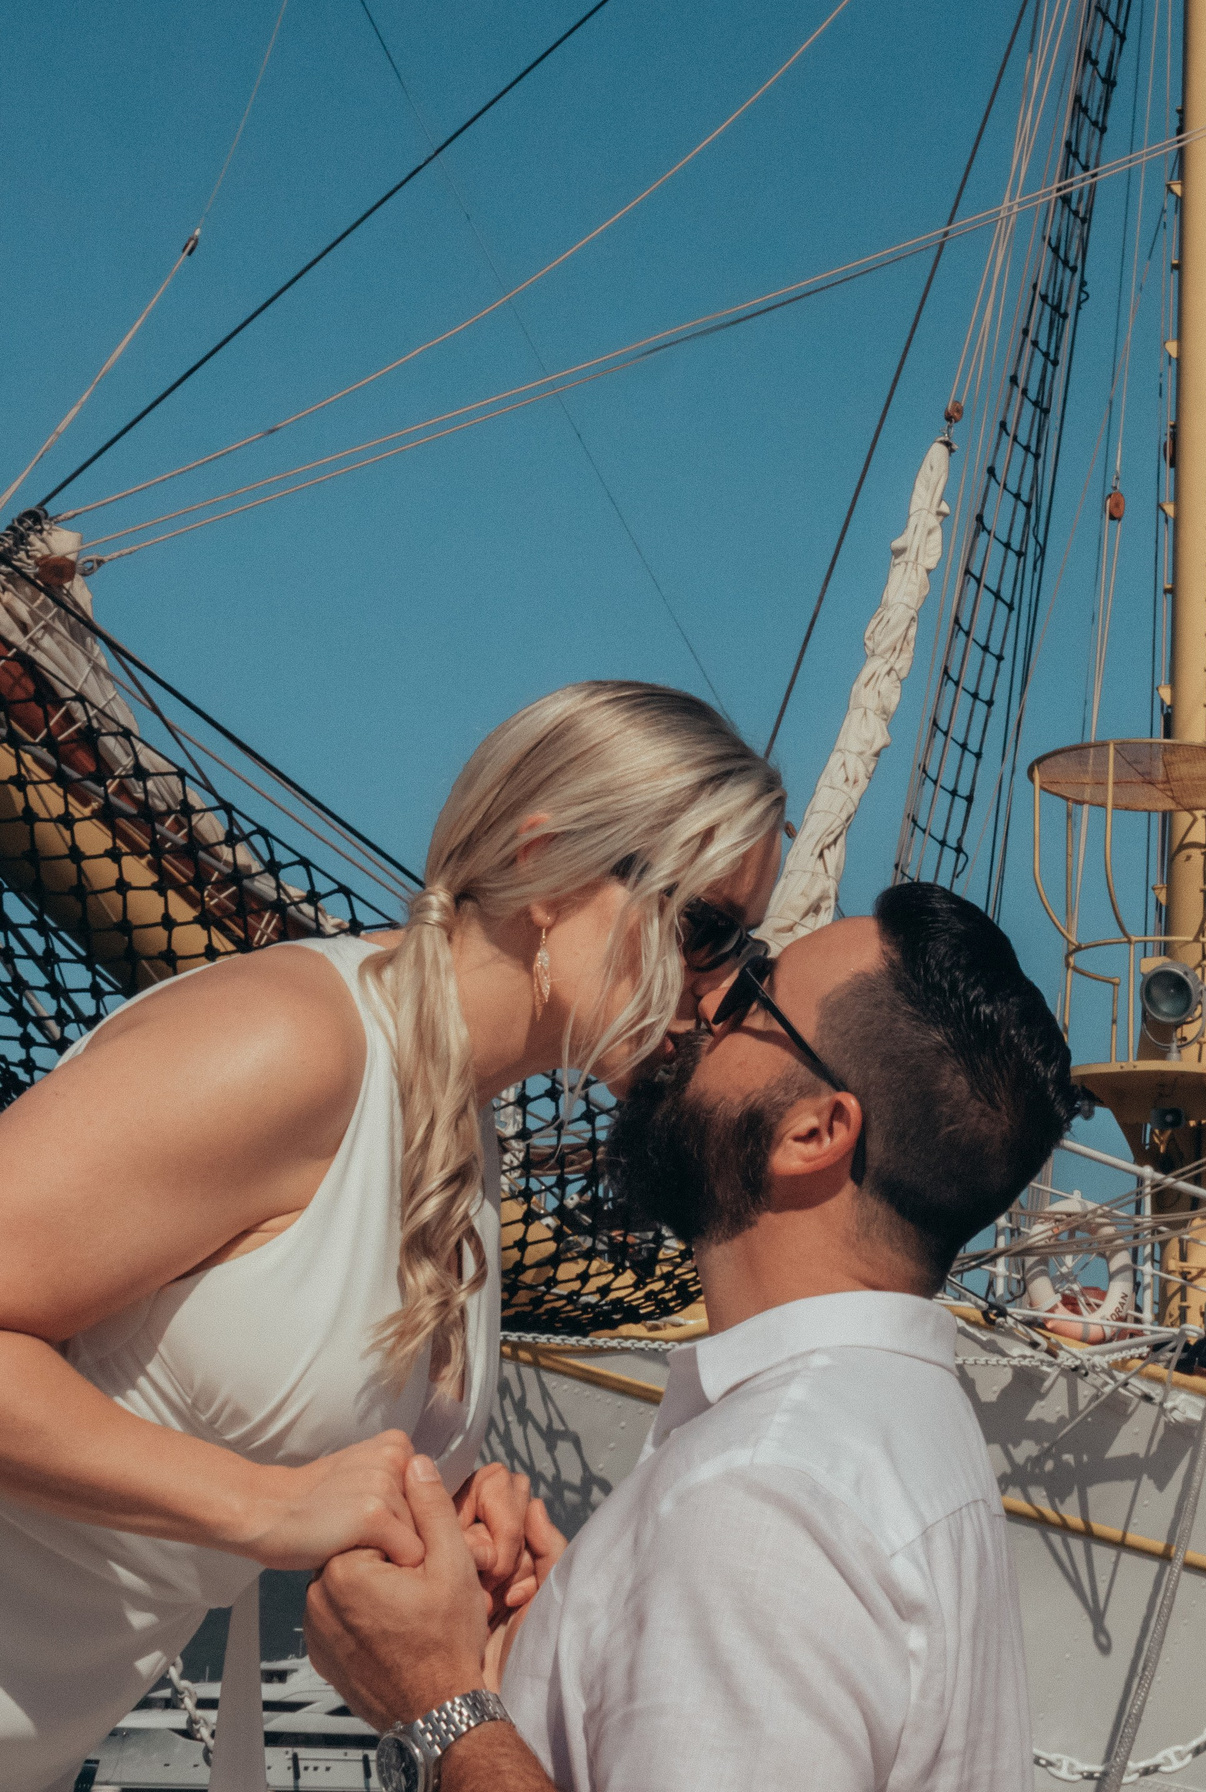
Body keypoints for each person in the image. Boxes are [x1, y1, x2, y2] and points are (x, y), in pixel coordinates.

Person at [0, 681, 787, 1792]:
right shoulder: (297, 1043)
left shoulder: (460, 1130)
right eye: (704, 929)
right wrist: (264, 1505)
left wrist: (444, 1515)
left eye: (740, 952)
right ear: (551, 864)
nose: (715, 995)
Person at [302, 882, 1079, 1792]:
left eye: (754, 993)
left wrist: (437, 1707)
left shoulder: (763, 1500)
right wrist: (574, 1648)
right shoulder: (904, 1428)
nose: (702, 998)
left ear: (814, 1130)